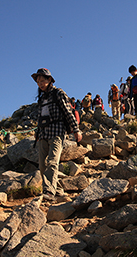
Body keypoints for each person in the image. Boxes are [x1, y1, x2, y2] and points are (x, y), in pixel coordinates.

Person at [32, 68, 82, 201]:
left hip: (57, 131)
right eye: (38, 82)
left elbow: (67, 111)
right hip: (43, 133)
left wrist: (76, 130)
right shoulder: (42, 98)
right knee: (42, 165)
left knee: (52, 162)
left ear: (49, 80)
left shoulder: (58, 93)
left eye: (43, 81)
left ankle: (49, 192)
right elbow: (40, 117)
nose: (40, 84)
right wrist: (37, 133)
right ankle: (57, 189)